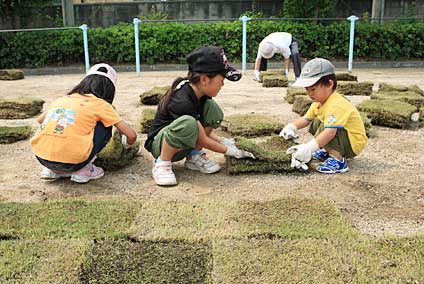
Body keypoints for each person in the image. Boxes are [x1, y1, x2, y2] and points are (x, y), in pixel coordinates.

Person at [144, 45, 255, 186]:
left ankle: (193, 156)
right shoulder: (181, 100)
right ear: (204, 79)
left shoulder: (201, 96)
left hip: (184, 143)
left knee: (212, 109)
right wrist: (231, 151)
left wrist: (223, 141)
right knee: (188, 123)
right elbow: (201, 138)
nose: (223, 84)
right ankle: (162, 164)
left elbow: (201, 132)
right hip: (160, 146)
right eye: (221, 80)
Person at [31, 63, 137, 183]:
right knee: (105, 124)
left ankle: (52, 169)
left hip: (41, 157)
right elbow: (131, 135)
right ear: (109, 89)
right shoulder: (102, 105)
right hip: (75, 162)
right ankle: (83, 170)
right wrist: (126, 145)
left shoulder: (63, 99)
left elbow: (40, 120)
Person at [280, 58, 367, 173]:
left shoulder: (336, 104)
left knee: (327, 129)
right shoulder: (319, 102)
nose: (310, 94)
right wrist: (291, 127)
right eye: (307, 89)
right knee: (316, 122)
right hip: (343, 137)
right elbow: (306, 119)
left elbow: (330, 133)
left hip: (353, 142)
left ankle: (338, 160)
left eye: (313, 89)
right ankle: (329, 150)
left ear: (330, 84)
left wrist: (309, 148)